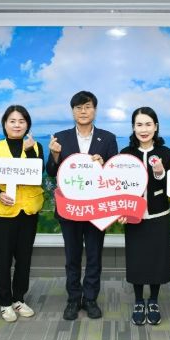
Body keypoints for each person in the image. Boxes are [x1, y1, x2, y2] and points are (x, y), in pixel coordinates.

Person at [46, 91, 118, 321]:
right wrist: (54, 155)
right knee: (72, 257)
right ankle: (73, 299)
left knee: (94, 256)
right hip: (70, 208)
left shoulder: (108, 138)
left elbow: (114, 175)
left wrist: (104, 165)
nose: (83, 111)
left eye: (87, 107)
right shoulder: (61, 137)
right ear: (73, 111)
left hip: (97, 209)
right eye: (78, 108)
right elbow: (51, 172)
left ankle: (90, 299)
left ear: (95, 110)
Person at [0, 105, 44, 323]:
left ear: (27, 124)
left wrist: (29, 151)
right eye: (12, 121)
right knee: (3, 259)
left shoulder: (35, 146)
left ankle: (19, 299)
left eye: (21, 121)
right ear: (5, 124)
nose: (17, 125)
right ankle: (5, 303)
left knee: (24, 259)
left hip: (28, 211)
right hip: (3, 213)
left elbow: (37, 173)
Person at [119, 107, 170, 326]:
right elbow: (118, 185)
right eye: (139, 124)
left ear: (156, 126)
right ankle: (138, 301)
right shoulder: (126, 153)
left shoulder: (166, 153)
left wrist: (160, 172)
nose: (144, 129)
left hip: (158, 214)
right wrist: (121, 209)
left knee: (156, 259)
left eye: (148, 124)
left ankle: (153, 300)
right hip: (133, 215)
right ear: (133, 127)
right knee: (137, 259)